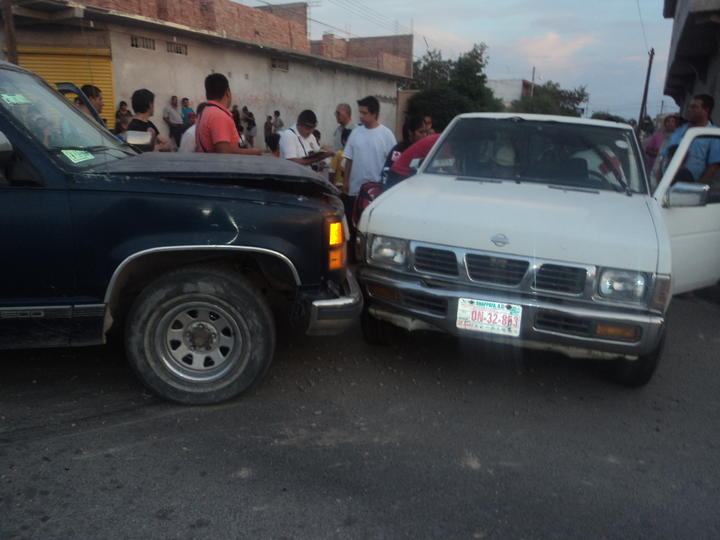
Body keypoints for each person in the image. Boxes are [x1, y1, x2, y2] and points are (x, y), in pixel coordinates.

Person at [342, 95, 397, 202]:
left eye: (364, 113)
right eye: (360, 112)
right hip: (355, 190)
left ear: (374, 114)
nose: (360, 116)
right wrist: (346, 182)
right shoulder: (355, 132)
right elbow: (349, 159)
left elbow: (393, 163)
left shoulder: (387, 135)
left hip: (377, 191)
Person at [195, 73, 261, 155]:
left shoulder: (205, 111)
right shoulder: (218, 115)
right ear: (227, 92)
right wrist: (253, 152)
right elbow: (224, 151)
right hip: (219, 167)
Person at [661, 94, 720, 183]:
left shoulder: (712, 134)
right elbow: (665, 156)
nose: (689, 110)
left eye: (694, 107)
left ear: (706, 110)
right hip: (666, 182)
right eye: (689, 107)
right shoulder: (679, 131)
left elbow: (713, 166)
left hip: (689, 185)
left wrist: (697, 188)